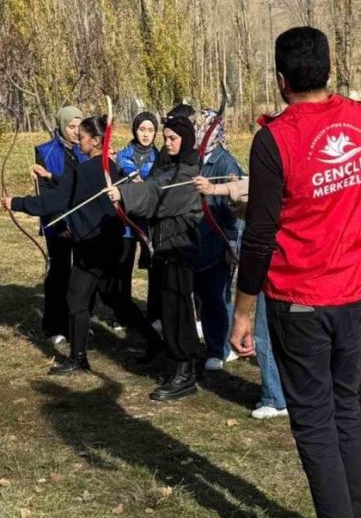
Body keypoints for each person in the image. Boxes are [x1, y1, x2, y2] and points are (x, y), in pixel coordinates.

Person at [229, 26, 361, 518]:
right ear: (329, 69)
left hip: (302, 297)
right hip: (353, 292)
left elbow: (259, 236)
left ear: (280, 79)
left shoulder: (275, 139)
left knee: (317, 421)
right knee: (345, 408)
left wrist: (243, 312)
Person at [6, 116, 165, 374]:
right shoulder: (106, 167)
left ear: (95, 140)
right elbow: (76, 190)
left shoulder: (91, 170)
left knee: (76, 299)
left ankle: (78, 358)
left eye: (82, 137)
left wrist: (15, 202)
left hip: (94, 246)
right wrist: (49, 176)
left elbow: (54, 201)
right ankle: (156, 343)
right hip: (110, 242)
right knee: (115, 298)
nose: (78, 140)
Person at [107, 115, 204, 401]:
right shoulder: (171, 164)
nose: (167, 143)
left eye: (173, 138)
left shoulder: (188, 171)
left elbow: (156, 194)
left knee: (178, 309)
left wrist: (124, 194)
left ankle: (186, 372)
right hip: (164, 247)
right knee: (166, 307)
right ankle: (177, 363)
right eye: (166, 138)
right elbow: (155, 183)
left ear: (186, 139)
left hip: (180, 249)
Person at [195, 175, 288, 420]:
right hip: (285, 266)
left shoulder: (282, 173)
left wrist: (214, 188)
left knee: (265, 332)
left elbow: (255, 187)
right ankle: (282, 394)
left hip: (276, 266)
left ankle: (275, 399)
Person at [194, 108, 245, 372]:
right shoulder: (197, 158)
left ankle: (219, 349)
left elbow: (235, 209)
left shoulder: (226, 163)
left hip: (220, 240)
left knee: (216, 293)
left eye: (201, 127)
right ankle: (223, 341)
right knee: (208, 293)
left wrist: (231, 243)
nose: (198, 132)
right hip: (202, 239)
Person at [33, 105, 88, 345]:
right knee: (59, 273)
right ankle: (55, 324)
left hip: (84, 222)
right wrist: (60, 222)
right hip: (58, 222)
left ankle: (80, 321)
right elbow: (47, 192)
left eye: (79, 126)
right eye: (71, 126)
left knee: (84, 273)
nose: (76, 132)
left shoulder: (86, 150)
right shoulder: (46, 151)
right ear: (62, 125)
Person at [114, 111, 159, 329]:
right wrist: (132, 173)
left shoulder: (159, 158)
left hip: (147, 221)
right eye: (142, 129)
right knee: (123, 267)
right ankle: (121, 313)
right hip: (125, 222)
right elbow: (123, 165)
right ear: (135, 130)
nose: (146, 134)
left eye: (151, 130)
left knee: (154, 267)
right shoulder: (124, 153)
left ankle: (154, 313)